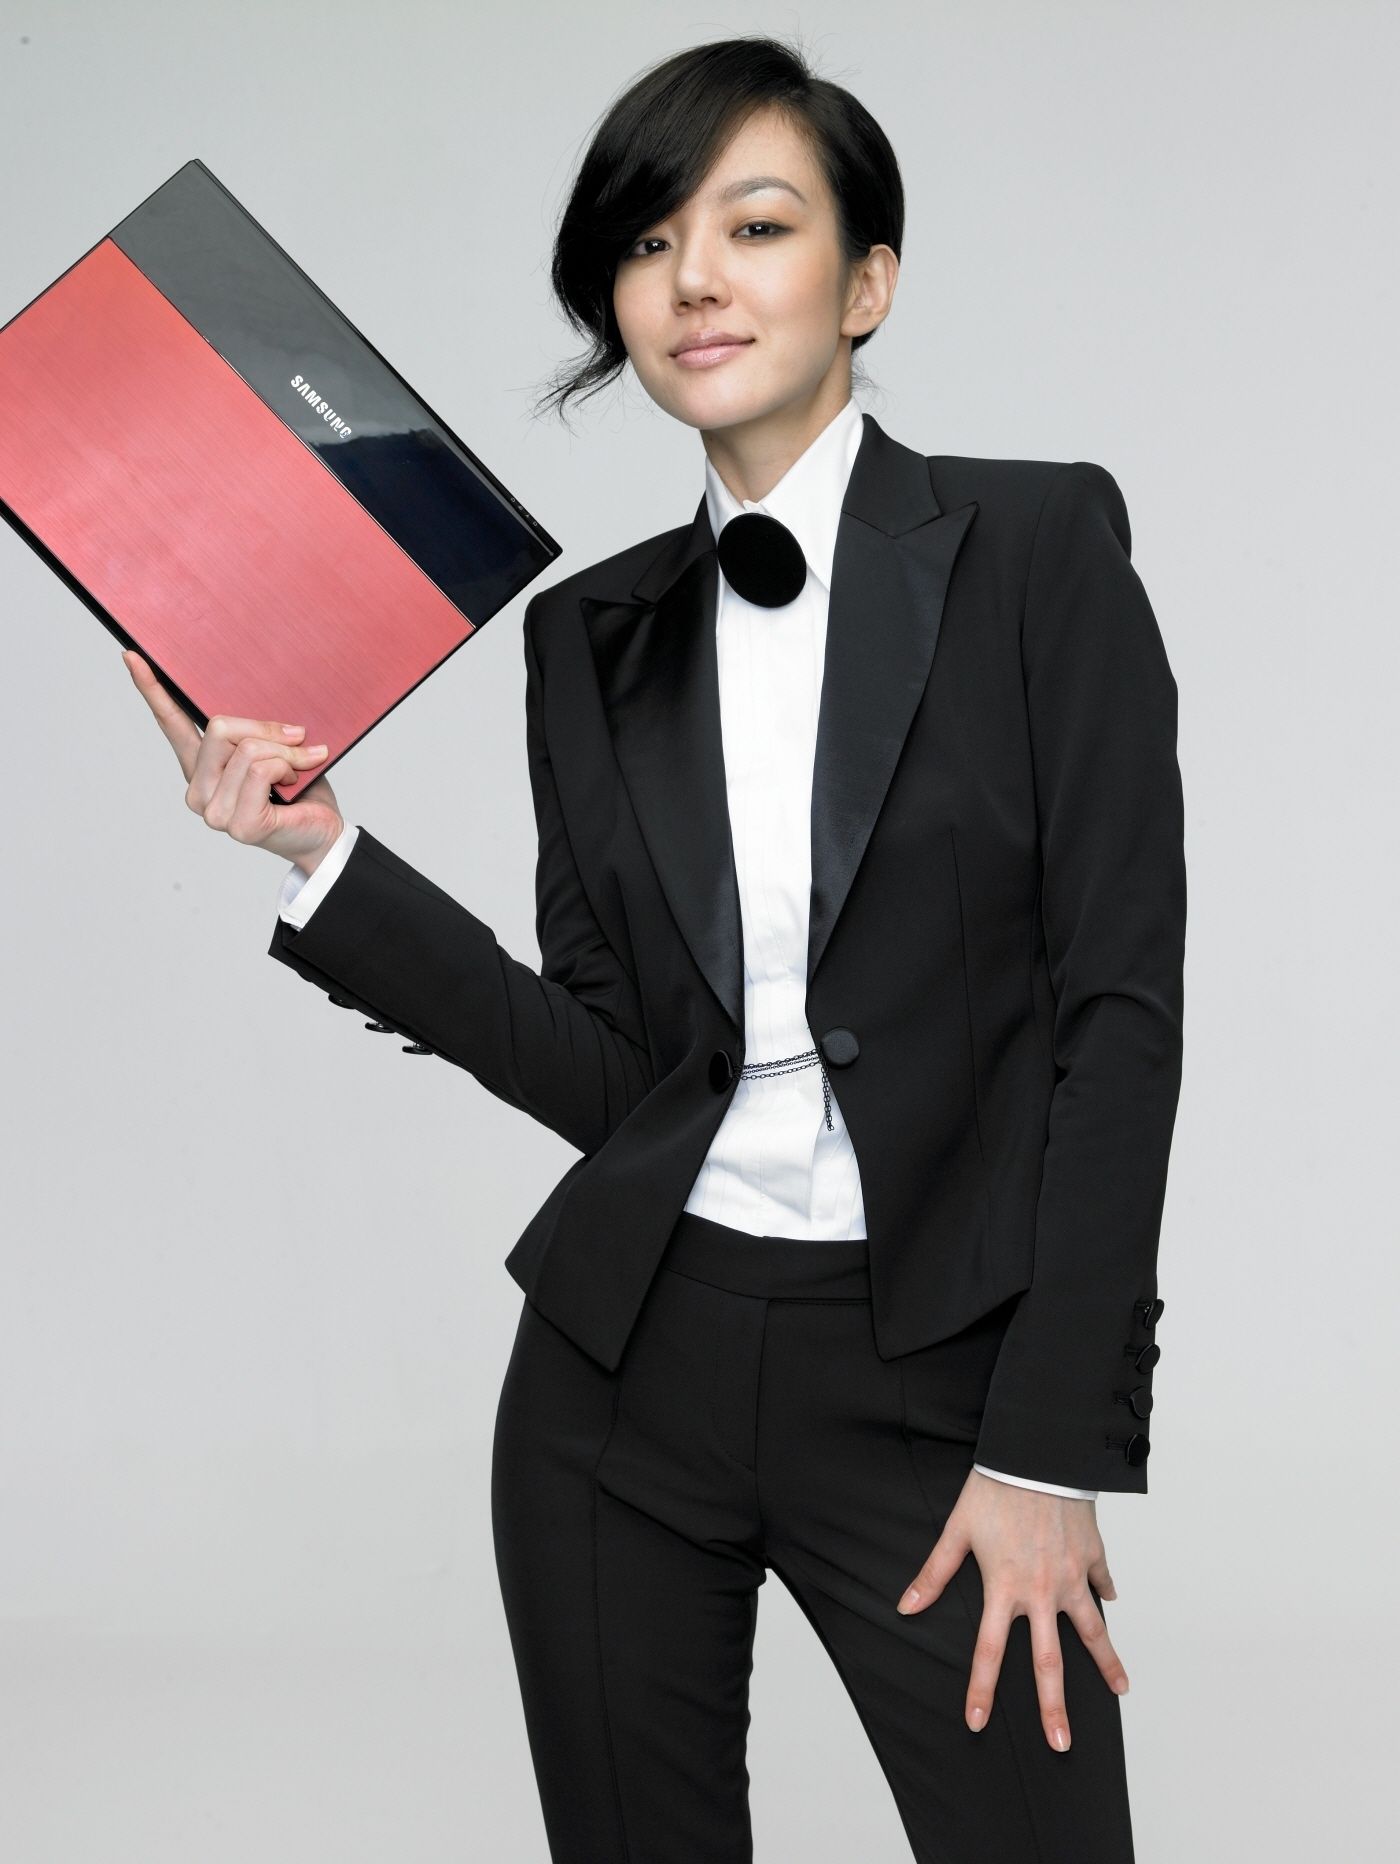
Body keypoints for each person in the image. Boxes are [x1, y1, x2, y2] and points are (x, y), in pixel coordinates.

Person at [125, 34, 1184, 1864]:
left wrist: (1046, 1447)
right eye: (648, 241)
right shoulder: (589, 640)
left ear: (867, 283)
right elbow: (621, 1079)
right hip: (623, 1381)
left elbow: (1119, 1020)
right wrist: (325, 859)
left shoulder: (1036, 550)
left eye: (755, 227)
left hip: (944, 1385)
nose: (693, 277)